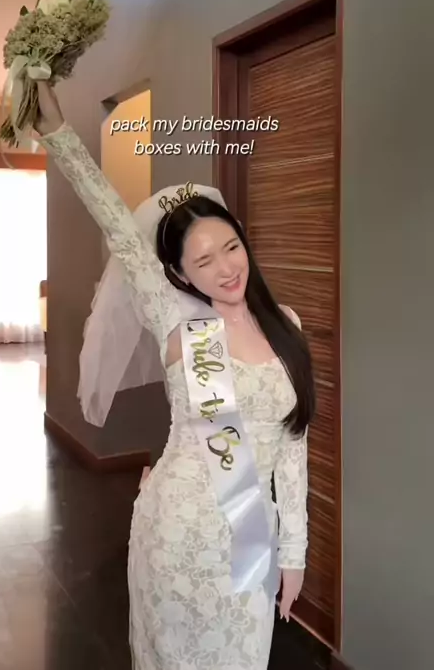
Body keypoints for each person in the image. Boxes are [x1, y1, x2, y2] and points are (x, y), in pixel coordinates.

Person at [34, 82, 315, 670]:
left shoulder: (286, 324)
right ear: (182, 275)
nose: (226, 268)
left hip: (249, 541)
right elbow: (116, 224)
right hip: (175, 534)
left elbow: (292, 448)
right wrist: (58, 132)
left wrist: (294, 553)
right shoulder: (178, 323)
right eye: (203, 260)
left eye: (231, 247)